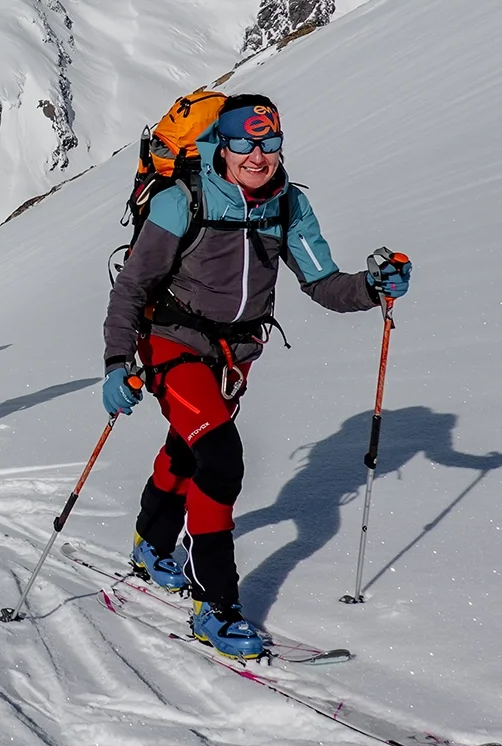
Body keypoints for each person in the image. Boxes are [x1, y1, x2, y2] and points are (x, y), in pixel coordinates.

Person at [101, 95, 410, 658]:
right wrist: (118, 362)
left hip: (234, 357)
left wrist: (370, 287)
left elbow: (322, 284)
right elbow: (133, 288)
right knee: (220, 458)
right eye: (243, 141)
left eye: (268, 142)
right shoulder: (181, 200)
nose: (257, 154)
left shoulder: (288, 206)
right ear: (221, 143)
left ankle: (151, 541)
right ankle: (214, 603)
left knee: (188, 451)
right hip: (172, 344)